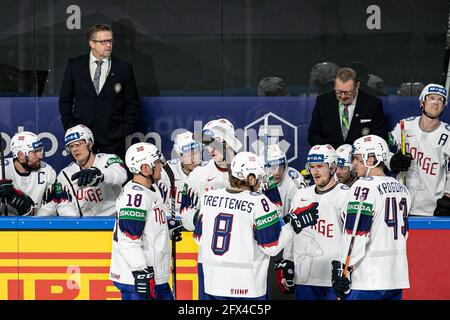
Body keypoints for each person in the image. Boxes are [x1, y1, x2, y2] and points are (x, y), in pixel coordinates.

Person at [194, 151, 320, 300]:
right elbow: (272, 246)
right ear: (250, 178)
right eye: (259, 178)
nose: (261, 182)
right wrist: (294, 224)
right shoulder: (259, 201)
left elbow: (198, 238)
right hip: (246, 287)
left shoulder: (209, 197)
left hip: (213, 284)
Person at [332, 135, 411, 300]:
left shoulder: (363, 186)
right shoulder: (402, 188)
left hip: (368, 277)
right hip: (396, 276)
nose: (353, 163)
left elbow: (356, 233)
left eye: (357, 158)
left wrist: (344, 269)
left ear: (372, 158)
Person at [180, 118, 242, 300]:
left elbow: (272, 209)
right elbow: (185, 214)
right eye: (207, 144)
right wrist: (201, 218)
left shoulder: (251, 169)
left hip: (244, 259)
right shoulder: (198, 175)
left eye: (214, 143)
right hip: (209, 259)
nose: (210, 149)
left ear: (228, 140)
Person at [276, 144, 348, 300]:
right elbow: (292, 230)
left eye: (320, 166)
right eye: (312, 166)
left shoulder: (345, 195)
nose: (315, 172)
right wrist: (288, 260)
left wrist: (348, 269)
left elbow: (352, 237)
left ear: (333, 167)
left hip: (333, 278)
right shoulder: (301, 195)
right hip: (305, 276)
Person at [59, 23, 139, 161]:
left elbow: (132, 101)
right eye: (103, 42)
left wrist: (124, 129)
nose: (108, 45)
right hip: (82, 137)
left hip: (113, 136)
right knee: (83, 179)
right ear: (92, 43)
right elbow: (65, 99)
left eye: (110, 41)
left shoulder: (123, 67)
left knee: (114, 179)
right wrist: (70, 128)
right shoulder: (75, 65)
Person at [109, 142, 174, 300]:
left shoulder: (151, 188)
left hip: (155, 276)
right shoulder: (135, 197)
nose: (161, 166)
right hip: (137, 279)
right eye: (157, 162)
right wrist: (141, 272)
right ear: (145, 168)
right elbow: (129, 239)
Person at [388, 83, 450, 216]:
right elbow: (384, 152)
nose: (436, 102)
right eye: (431, 98)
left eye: (441, 99)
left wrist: (447, 197)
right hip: (401, 202)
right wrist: (392, 161)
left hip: (432, 208)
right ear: (422, 102)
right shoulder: (404, 125)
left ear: (445, 105)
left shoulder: (448, 134)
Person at [54, 124, 127, 216]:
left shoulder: (109, 159)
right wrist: (76, 223)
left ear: (90, 143)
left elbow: (121, 175)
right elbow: (63, 204)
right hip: (85, 226)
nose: (75, 149)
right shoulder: (65, 174)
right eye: (71, 146)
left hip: (113, 222)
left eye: (78, 144)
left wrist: (100, 175)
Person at [308, 67, 388, 149]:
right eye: (338, 91)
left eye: (347, 92)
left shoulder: (372, 103)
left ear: (357, 86)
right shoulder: (323, 102)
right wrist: (328, 150)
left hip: (360, 158)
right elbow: (314, 134)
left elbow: (380, 136)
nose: (343, 96)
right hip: (332, 157)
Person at [0, 131, 75, 216]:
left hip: (36, 226)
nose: (40, 156)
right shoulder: (1, 169)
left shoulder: (48, 171)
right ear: (21, 155)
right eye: (35, 152)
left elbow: (55, 203)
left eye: (40, 150)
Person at [158, 131, 203, 218]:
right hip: (171, 224)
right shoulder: (166, 170)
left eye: (196, 153)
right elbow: (158, 203)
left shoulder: (207, 171)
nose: (193, 159)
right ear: (180, 155)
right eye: (188, 155)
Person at [262, 144, 307, 216]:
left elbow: (303, 210)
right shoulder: (256, 180)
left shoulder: (294, 179)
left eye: (281, 167)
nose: (277, 172)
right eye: (273, 168)